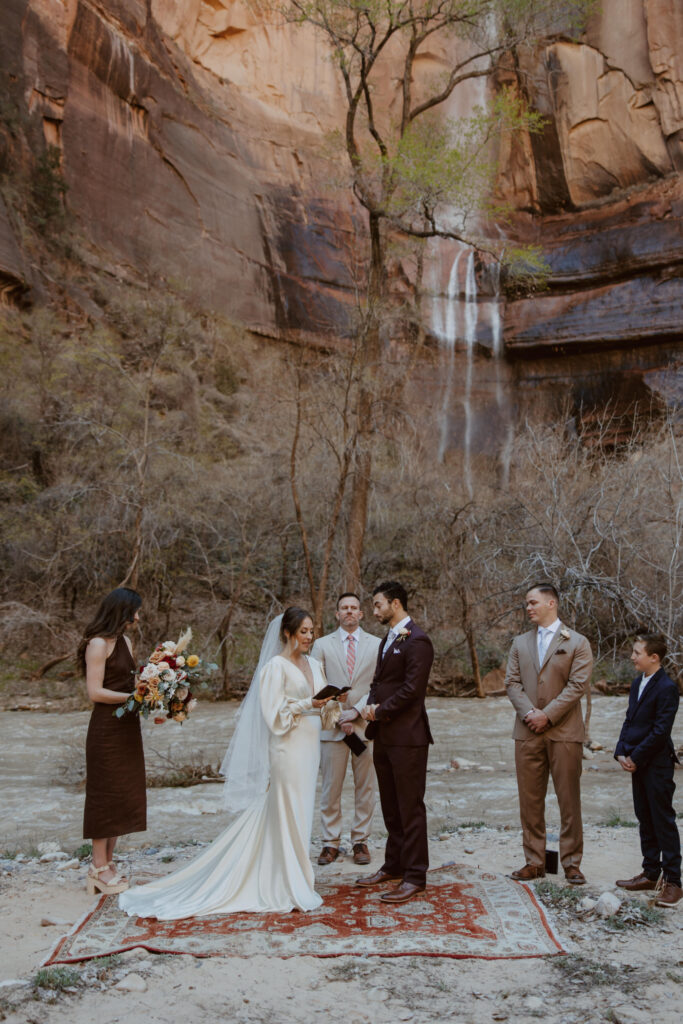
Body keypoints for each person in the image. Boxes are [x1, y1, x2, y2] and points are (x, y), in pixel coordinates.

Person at [119, 607, 333, 919]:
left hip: (310, 747)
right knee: (287, 807)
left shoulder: (315, 663)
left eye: (312, 631)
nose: (309, 637)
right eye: (303, 631)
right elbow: (273, 714)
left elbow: (320, 705)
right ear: (287, 633)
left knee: (301, 811)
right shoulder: (275, 667)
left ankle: (296, 874)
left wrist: (331, 704)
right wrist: (307, 704)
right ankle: (288, 882)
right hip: (287, 749)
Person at [504, 582, 593, 885]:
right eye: (526, 604)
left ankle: (571, 863)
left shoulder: (577, 642)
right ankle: (534, 861)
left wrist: (548, 715)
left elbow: (578, 685)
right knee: (530, 800)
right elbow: (512, 683)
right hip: (527, 731)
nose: (528, 608)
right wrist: (530, 714)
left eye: (533, 602)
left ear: (551, 603)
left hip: (565, 732)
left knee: (569, 800)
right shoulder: (519, 643)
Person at [356, 581, 434, 904]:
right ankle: (393, 865)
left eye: (378, 605)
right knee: (390, 805)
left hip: (409, 737)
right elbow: (378, 682)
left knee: (410, 807)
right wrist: (369, 708)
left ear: (396, 604)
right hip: (384, 736)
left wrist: (378, 711)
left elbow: (412, 691)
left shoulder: (418, 641)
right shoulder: (388, 639)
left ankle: (415, 876)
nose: (374, 611)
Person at [78, 586, 145, 896]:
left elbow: (131, 682)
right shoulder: (97, 644)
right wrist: (132, 697)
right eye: (135, 610)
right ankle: (97, 867)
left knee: (124, 794)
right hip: (106, 728)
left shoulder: (125, 641)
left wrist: (152, 689)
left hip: (128, 727)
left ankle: (109, 861)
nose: (138, 616)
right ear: (122, 610)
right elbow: (95, 692)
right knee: (105, 794)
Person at [311, 592, 381, 866]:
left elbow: (378, 685)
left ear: (361, 614)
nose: (349, 612)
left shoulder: (377, 645)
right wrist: (339, 715)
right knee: (331, 787)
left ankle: (360, 841)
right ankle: (330, 842)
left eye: (354, 608)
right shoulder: (321, 645)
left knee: (366, 787)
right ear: (337, 614)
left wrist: (356, 712)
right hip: (332, 726)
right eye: (344, 608)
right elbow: (318, 685)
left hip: (364, 724)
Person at [614, 633, 681, 908]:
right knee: (644, 817)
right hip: (637, 762)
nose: (632, 657)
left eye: (637, 653)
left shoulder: (667, 687)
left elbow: (660, 731)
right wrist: (620, 750)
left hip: (657, 764)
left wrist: (636, 757)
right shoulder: (636, 683)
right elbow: (630, 720)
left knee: (662, 820)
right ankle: (651, 873)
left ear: (654, 657)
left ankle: (674, 882)